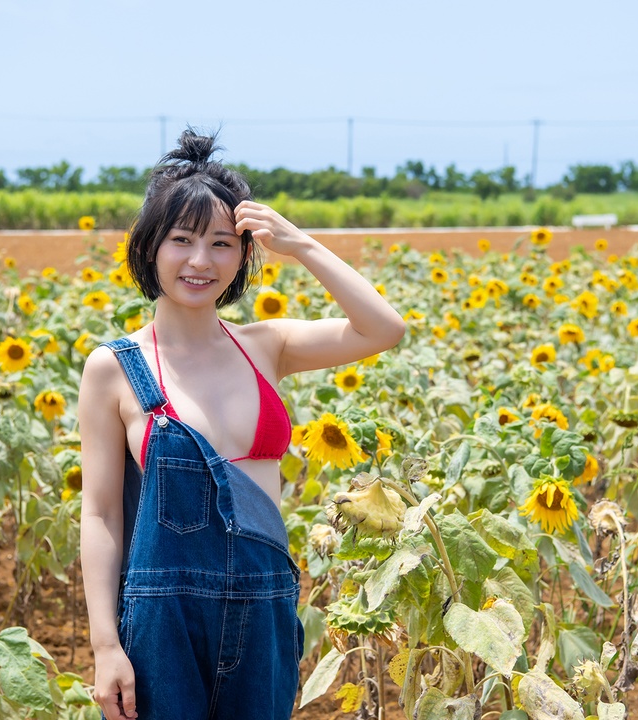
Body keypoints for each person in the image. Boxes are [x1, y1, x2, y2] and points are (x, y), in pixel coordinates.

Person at [79, 130, 405, 720]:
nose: (201, 261)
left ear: (244, 254)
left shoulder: (268, 346)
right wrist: (105, 645)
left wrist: (301, 244)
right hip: (161, 617)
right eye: (182, 240)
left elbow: (383, 327)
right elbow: (100, 514)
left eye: (222, 244)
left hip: (264, 605)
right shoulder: (114, 369)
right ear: (150, 249)